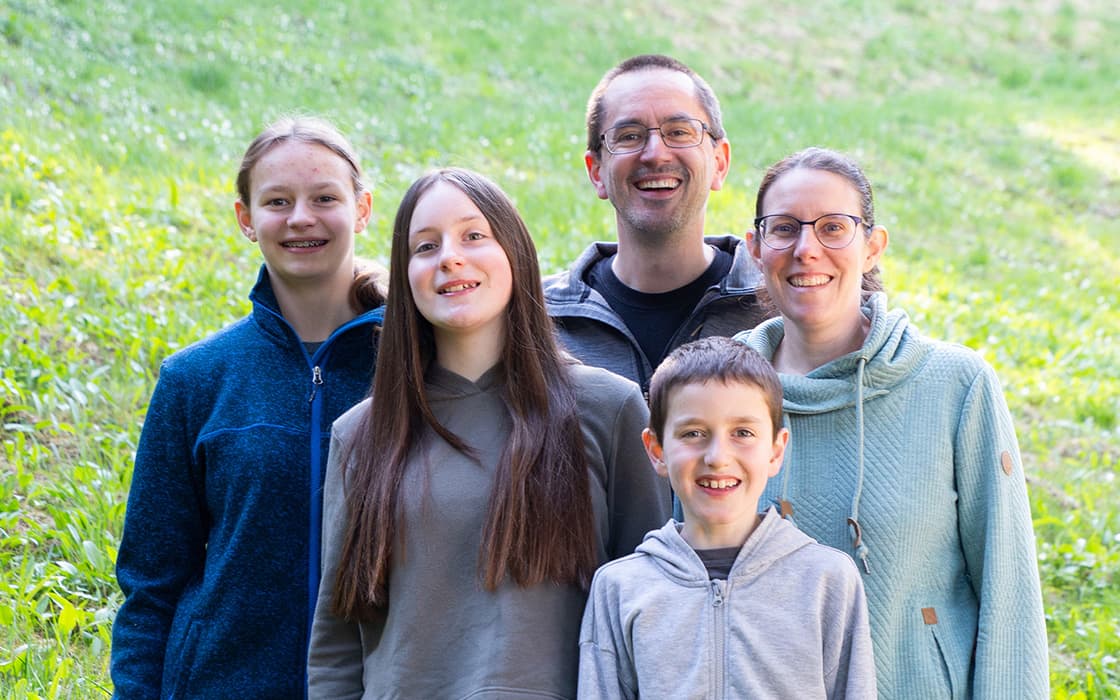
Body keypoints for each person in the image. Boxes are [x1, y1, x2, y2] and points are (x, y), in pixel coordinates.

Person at [307, 167, 670, 698]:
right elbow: (337, 646)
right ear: (405, 276)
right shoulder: (360, 435)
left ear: (515, 254)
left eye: (474, 236)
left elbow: (654, 609)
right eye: (425, 246)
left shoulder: (608, 408)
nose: (450, 257)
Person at [735, 146, 1049, 698]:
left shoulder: (955, 384)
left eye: (834, 227)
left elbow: (1009, 587)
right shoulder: (724, 389)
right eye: (784, 228)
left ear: (872, 247)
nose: (807, 249)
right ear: (756, 248)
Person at [110, 117, 385, 699]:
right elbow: (151, 582)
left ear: (362, 210)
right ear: (246, 219)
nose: (301, 218)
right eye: (277, 201)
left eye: (325, 198)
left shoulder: (416, 367)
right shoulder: (195, 379)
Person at [578, 336, 877, 699]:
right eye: (694, 433)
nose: (718, 457)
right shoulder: (620, 587)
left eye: (743, 433)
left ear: (775, 450)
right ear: (656, 451)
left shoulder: (826, 580)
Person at [544, 54, 769, 396]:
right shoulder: (535, 322)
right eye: (629, 136)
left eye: (679, 132)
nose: (655, 154)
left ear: (720, 162)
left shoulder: (777, 307)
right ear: (596, 172)